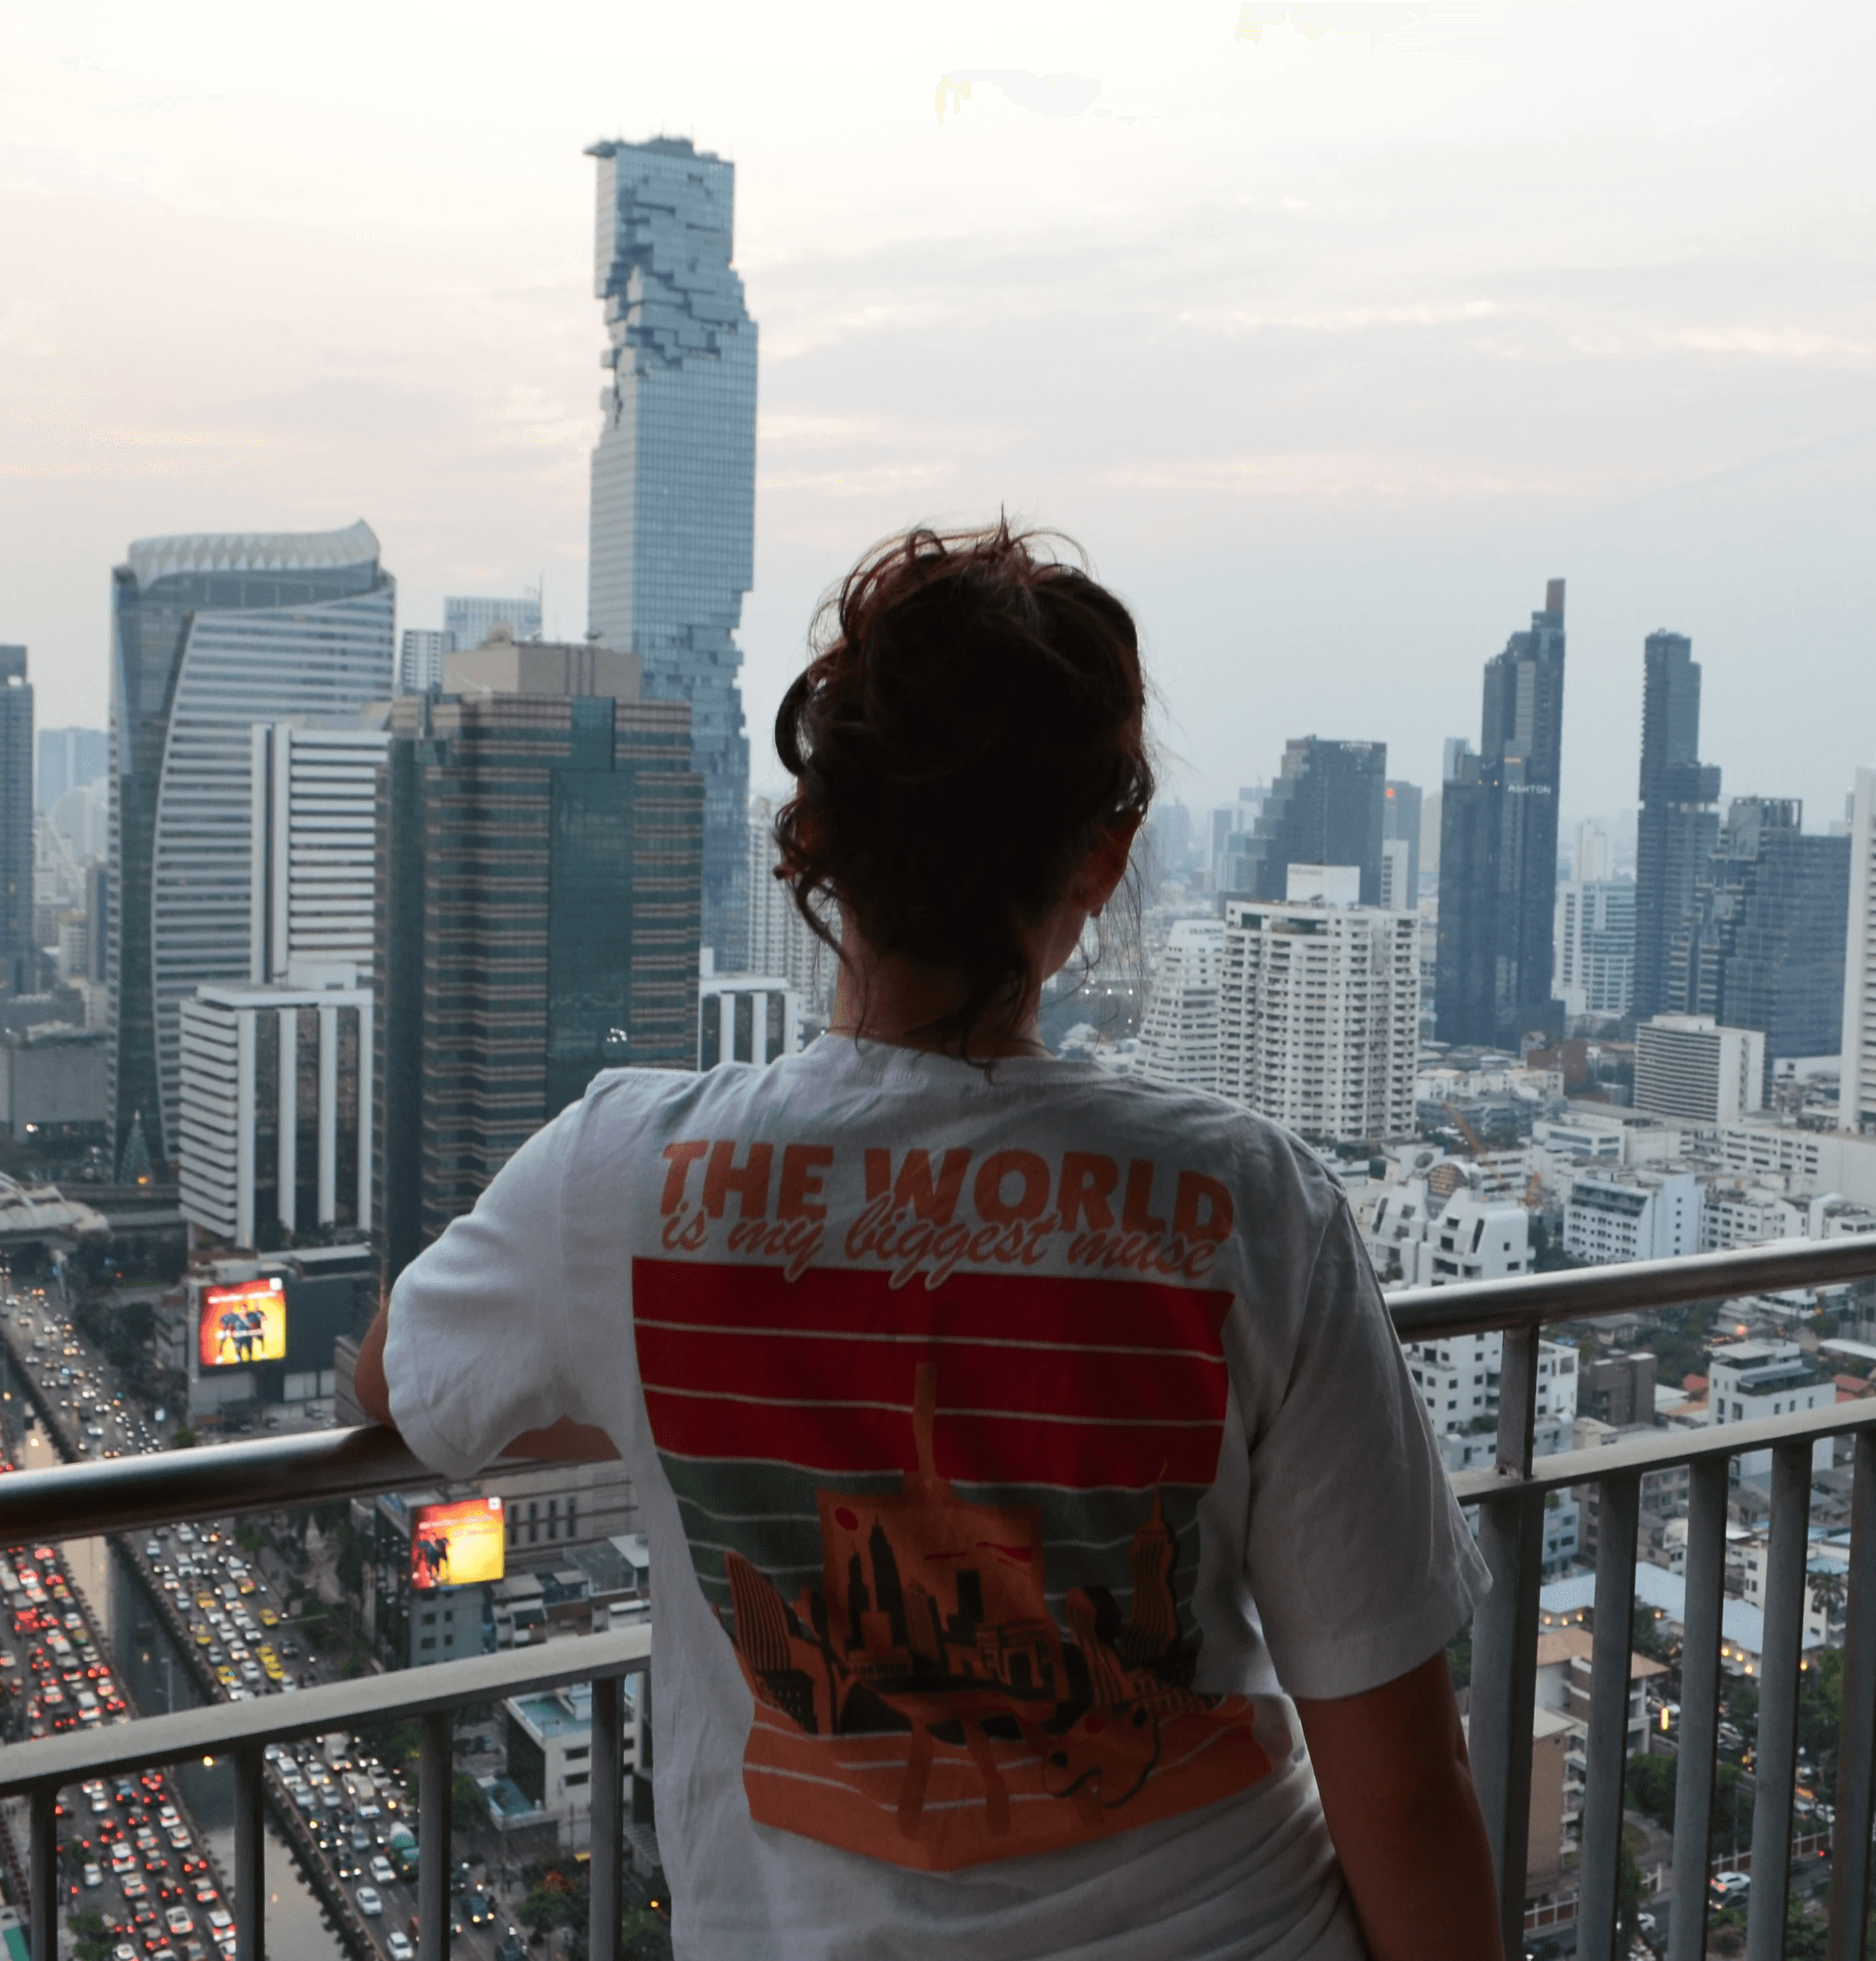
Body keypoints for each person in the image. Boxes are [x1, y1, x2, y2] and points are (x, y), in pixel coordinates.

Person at [357, 523, 1502, 1960]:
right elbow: (1401, 1787)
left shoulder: (617, 1180)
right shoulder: (1247, 1205)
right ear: (1102, 855)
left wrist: (644, 1397)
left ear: (816, 832)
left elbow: (396, 1381)